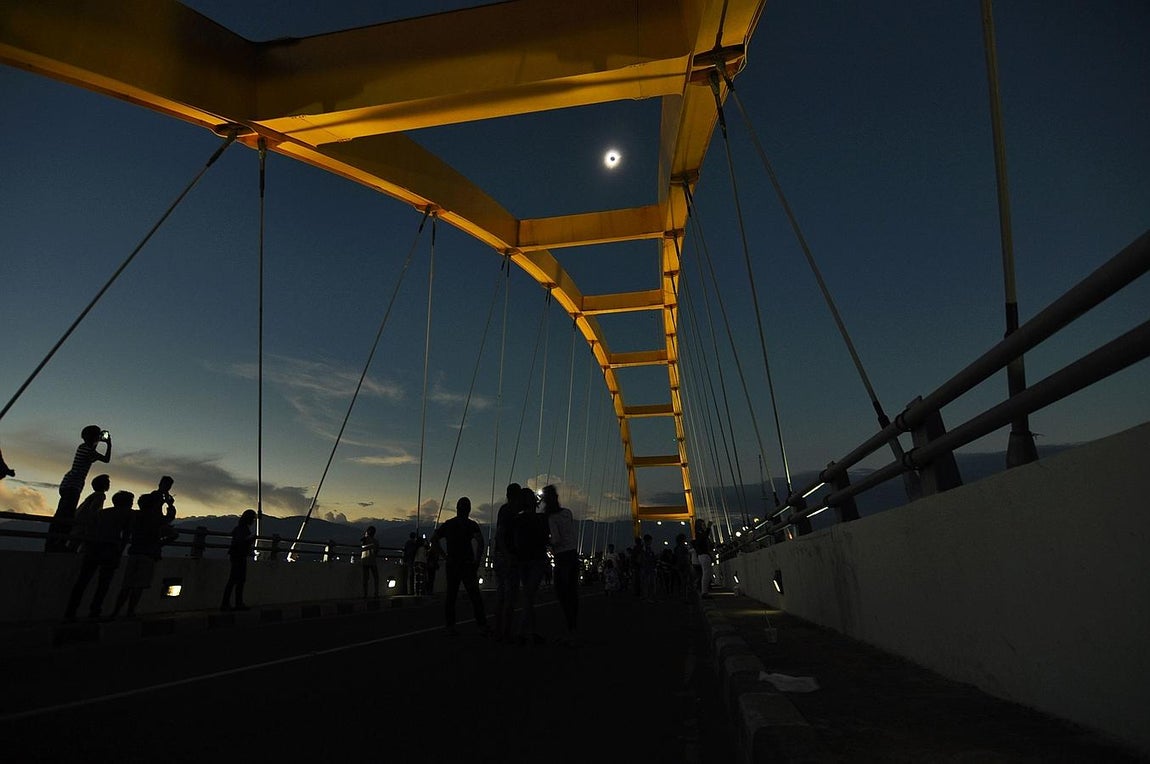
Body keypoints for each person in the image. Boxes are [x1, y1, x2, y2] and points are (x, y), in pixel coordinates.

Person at [63, 490, 134, 621]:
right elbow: (125, 535)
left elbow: (89, 529)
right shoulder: (126, 514)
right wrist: (119, 552)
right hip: (110, 550)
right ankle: (95, 611)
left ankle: (70, 610)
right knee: (103, 584)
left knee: (82, 581)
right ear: (128, 503)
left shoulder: (101, 513)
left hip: (92, 548)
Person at [111, 491, 177, 617]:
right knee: (139, 586)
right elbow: (172, 530)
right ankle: (130, 612)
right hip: (148, 555)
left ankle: (115, 612)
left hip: (134, 553)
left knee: (127, 585)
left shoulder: (134, 516)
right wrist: (170, 505)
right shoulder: (157, 519)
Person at [47, 425, 111, 552]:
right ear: (94, 437)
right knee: (66, 514)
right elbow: (106, 459)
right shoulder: (88, 450)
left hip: (70, 483)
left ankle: (55, 541)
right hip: (73, 485)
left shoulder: (84, 448)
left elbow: (93, 451)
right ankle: (57, 542)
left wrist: (99, 441)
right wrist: (109, 444)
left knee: (64, 513)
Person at [431, 497, 488, 636]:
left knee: (451, 596)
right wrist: (477, 560)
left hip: (452, 564)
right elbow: (481, 542)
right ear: (469, 509)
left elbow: (434, 539)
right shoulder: (471, 525)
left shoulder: (449, 524)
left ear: (457, 508)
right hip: (467, 564)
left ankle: (450, 627)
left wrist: (444, 556)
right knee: (475, 596)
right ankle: (482, 626)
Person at [543, 484, 579, 646]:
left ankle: (570, 632)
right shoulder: (567, 513)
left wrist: (547, 543)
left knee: (562, 594)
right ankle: (573, 631)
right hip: (573, 555)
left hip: (562, 558)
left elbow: (556, 539)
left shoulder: (552, 518)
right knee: (572, 594)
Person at [513, 487, 549, 646]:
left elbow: (516, 541)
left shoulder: (518, 519)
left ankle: (525, 633)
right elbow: (546, 540)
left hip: (523, 560)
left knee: (528, 595)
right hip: (536, 560)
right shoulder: (542, 519)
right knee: (529, 596)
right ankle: (529, 633)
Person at [491, 482, 522, 641]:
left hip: (499, 555)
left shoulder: (504, 510)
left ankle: (498, 630)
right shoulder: (510, 511)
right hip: (507, 557)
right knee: (509, 595)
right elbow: (501, 535)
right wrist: (508, 555)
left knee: (501, 594)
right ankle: (506, 631)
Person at [221, 509, 257, 610]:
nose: (253, 520)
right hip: (239, 556)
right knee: (237, 580)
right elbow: (241, 542)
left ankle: (230, 603)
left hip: (236, 556)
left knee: (235, 580)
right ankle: (233, 603)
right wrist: (250, 539)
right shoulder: (243, 529)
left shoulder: (239, 528)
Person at [67, 473, 110, 553]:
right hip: (85, 522)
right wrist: (95, 520)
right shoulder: (100, 495)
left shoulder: (93, 495)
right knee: (83, 542)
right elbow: (94, 509)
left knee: (75, 542)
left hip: (80, 520)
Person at [694, 518, 714, 597]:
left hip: (704, 555)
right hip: (704, 556)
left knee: (707, 573)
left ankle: (704, 591)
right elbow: (704, 537)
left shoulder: (699, 534)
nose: (704, 526)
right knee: (706, 574)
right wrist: (708, 528)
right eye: (703, 524)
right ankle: (704, 592)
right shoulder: (700, 534)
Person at [673, 533, 694, 602]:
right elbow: (686, 557)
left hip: (679, 566)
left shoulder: (676, 548)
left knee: (682, 582)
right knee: (687, 582)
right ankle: (686, 597)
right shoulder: (684, 548)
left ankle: (683, 597)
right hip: (685, 565)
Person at [360, 525, 380, 599]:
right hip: (373, 561)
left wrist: (365, 535)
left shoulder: (365, 539)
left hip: (365, 561)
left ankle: (365, 594)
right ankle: (376, 593)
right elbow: (376, 552)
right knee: (376, 578)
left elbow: (361, 542)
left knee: (365, 578)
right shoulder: (376, 541)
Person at [640, 534, 658, 602]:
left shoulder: (646, 548)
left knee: (647, 583)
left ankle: (647, 596)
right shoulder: (646, 549)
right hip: (648, 568)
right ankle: (649, 597)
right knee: (649, 583)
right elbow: (646, 558)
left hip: (647, 567)